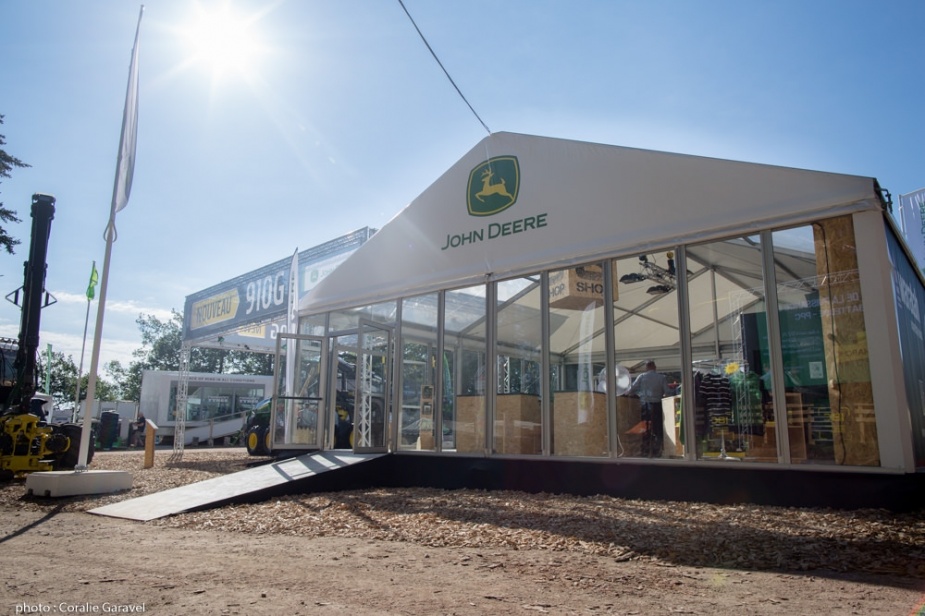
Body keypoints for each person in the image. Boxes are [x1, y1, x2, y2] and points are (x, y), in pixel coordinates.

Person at [625, 360, 672, 458]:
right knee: (658, 428)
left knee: (645, 428)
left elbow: (632, 389)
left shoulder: (642, 377)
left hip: (645, 406)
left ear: (646, 367)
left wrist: (626, 393)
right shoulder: (662, 377)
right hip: (657, 405)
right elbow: (667, 392)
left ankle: (646, 451)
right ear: (655, 367)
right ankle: (657, 451)